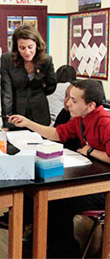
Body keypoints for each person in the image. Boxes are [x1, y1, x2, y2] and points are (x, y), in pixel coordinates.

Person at [7, 79, 108, 257]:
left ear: (91, 105)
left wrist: (90, 150)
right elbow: (57, 134)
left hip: (104, 189)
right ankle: (56, 247)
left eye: (74, 100)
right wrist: (29, 124)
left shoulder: (104, 122)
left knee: (58, 201)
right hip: (93, 177)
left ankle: (65, 251)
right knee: (48, 197)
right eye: (69, 98)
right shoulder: (81, 119)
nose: (68, 103)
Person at [0, 25, 57, 130]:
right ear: (16, 48)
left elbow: (51, 86)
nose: (27, 52)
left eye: (30, 47)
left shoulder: (46, 60)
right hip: (17, 109)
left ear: (37, 45)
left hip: (40, 110)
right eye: (22, 48)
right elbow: (6, 93)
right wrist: (6, 121)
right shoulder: (7, 59)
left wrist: (38, 92)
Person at [54, 83, 80, 151]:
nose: (66, 101)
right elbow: (55, 133)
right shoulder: (64, 112)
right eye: (66, 96)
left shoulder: (84, 120)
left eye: (73, 99)